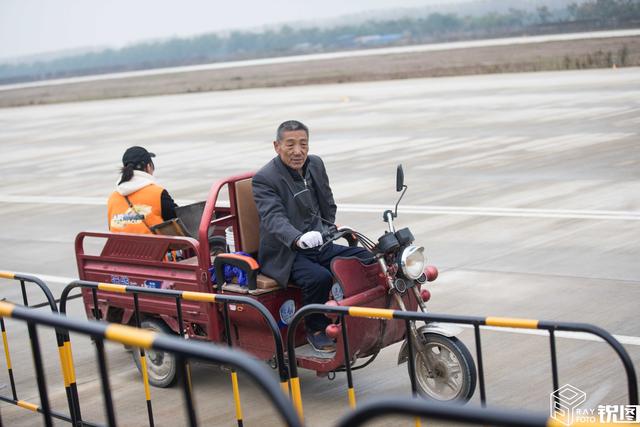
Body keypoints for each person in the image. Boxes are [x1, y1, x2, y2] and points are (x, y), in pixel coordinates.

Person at [253, 120, 371, 353]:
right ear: (277, 146)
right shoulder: (265, 178)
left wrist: (329, 229)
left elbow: (327, 202)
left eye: (303, 144)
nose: (298, 151)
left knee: (364, 258)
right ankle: (315, 329)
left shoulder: (315, 164)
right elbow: (273, 218)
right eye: (290, 145)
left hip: (321, 243)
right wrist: (297, 238)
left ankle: (355, 316)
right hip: (287, 252)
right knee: (319, 277)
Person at [108, 146, 177, 234]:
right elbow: (180, 222)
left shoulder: (113, 197)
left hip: (118, 247)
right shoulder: (158, 193)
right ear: (148, 167)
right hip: (155, 247)